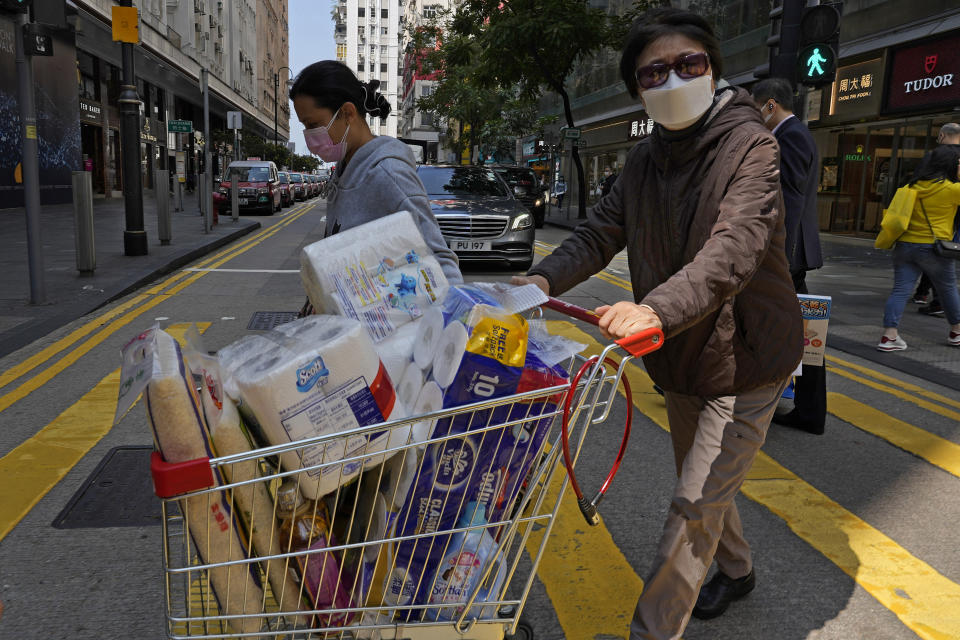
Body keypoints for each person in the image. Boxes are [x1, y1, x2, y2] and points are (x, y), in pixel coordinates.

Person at [512, 8, 802, 638]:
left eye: (689, 64)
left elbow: (736, 249)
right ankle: (738, 568)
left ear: (714, 69)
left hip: (746, 357)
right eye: (655, 71)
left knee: (694, 502)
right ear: (638, 88)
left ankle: (652, 630)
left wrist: (653, 309)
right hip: (678, 355)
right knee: (702, 480)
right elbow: (598, 233)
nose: (674, 79)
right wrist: (541, 280)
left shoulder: (752, 145)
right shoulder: (644, 161)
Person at [289, 61, 461, 287]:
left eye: (314, 124)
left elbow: (438, 257)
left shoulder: (387, 172)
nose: (309, 136)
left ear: (347, 113)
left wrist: (460, 313)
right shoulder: (346, 167)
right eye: (305, 126)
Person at [752, 78, 826, 435]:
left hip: (788, 254)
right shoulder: (795, 133)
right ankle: (808, 409)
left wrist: (780, 253)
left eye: (757, 109)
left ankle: (807, 409)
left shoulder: (790, 136)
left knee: (798, 332)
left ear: (770, 105)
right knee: (804, 334)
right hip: (792, 254)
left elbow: (791, 199)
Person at [877, 145, 960, 351]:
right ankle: (956, 332)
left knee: (900, 291)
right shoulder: (952, 189)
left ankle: (889, 336)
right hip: (935, 248)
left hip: (905, 246)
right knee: (948, 288)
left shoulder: (910, 187)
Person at [914, 122, 960, 316]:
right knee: (942, 255)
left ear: (941, 136)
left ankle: (938, 302)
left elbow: (918, 182)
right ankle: (928, 294)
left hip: (936, 219)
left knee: (939, 258)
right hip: (954, 217)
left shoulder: (935, 156)